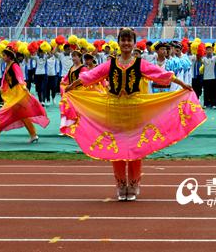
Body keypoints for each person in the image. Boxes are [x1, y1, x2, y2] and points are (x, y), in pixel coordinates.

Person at [65, 28, 206, 201]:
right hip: (114, 110)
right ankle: (120, 184)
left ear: (133, 43)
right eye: (123, 40)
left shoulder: (140, 63)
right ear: (119, 42)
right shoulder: (111, 64)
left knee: (134, 148)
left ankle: (133, 183)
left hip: (135, 110)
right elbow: (92, 76)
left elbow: (160, 75)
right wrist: (73, 86)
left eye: (129, 40)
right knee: (116, 148)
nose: (126, 43)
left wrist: (181, 84)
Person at [0, 48, 50, 144]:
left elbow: (19, 76)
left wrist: (23, 86)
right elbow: (4, 79)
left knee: (2, 113)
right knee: (22, 115)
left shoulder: (14, 65)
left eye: (4, 55)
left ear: (9, 57)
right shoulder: (7, 65)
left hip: (17, 94)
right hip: (13, 94)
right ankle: (33, 135)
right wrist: (2, 87)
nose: (3, 57)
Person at [59, 50, 85, 137]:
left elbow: (82, 80)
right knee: (67, 108)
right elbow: (66, 79)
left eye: (75, 56)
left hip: (79, 93)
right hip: (71, 93)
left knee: (77, 112)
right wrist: (62, 83)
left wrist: (71, 86)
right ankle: (67, 129)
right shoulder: (72, 68)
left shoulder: (83, 68)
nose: (73, 58)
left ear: (80, 57)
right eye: (72, 56)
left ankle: (76, 130)